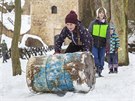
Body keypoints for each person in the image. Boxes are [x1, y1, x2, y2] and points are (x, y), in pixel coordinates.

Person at [88, 7, 109, 77]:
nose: (101, 14)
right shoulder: (93, 23)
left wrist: (108, 44)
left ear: (105, 14)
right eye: (100, 13)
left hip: (103, 45)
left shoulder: (106, 24)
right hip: (94, 44)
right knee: (95, 57)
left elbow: (108, 35)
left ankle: (100, 71)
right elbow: (89, 33)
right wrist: (90, 42)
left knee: (101, 58)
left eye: (103, 13)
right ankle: (96, 70)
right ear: (97, 14)